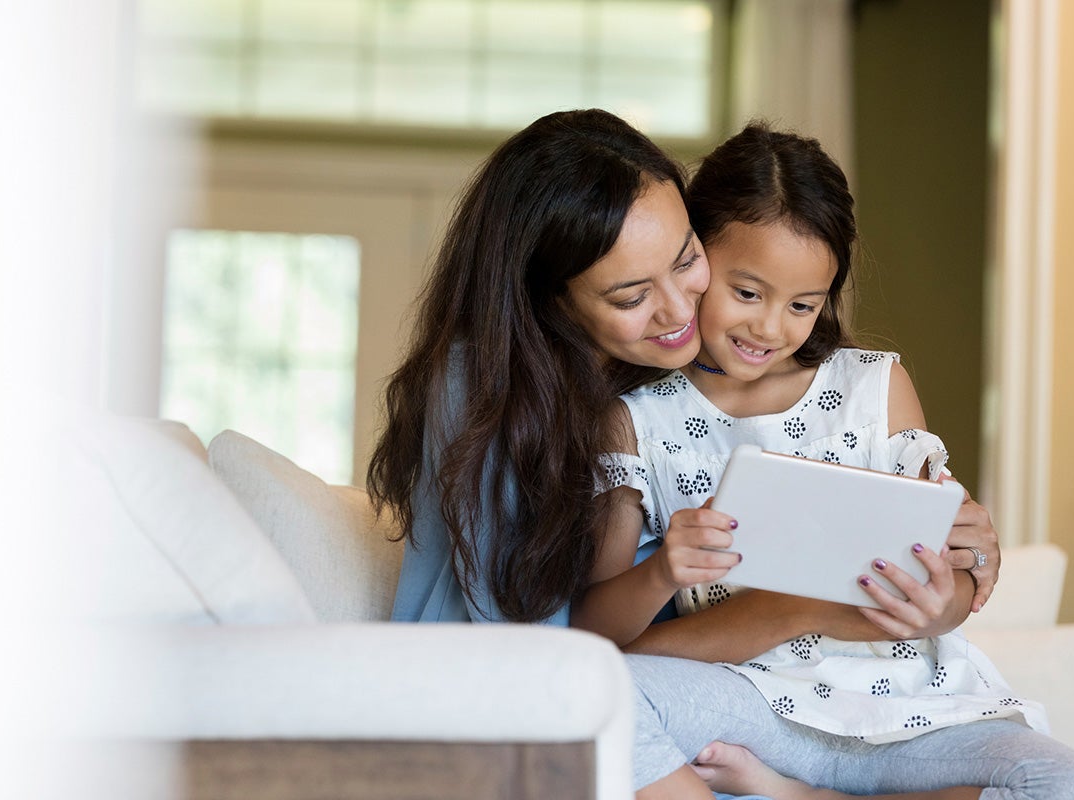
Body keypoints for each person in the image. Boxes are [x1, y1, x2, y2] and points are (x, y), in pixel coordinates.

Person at [367, 108, 1008, 794]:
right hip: (534, 704)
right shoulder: (499, 391)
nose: (678, 313)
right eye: (633, 294)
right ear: (553, 302)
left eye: (684, 261)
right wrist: (794, 609)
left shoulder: (667, 372)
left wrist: (962, 546)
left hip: (701, 698)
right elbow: (562, 657)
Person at [572, 122, 1074, 799]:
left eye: (803, 304)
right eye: (747, 292)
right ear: (697, 261)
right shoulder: (636, 419)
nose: (771, 328)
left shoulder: (873, 388)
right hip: (752, 706)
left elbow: (948, 600)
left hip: (915, 714)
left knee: (1072, 785)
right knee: (596, 697)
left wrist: (949, 586)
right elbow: (595, 639)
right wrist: (662, 572)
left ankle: (806, 797)